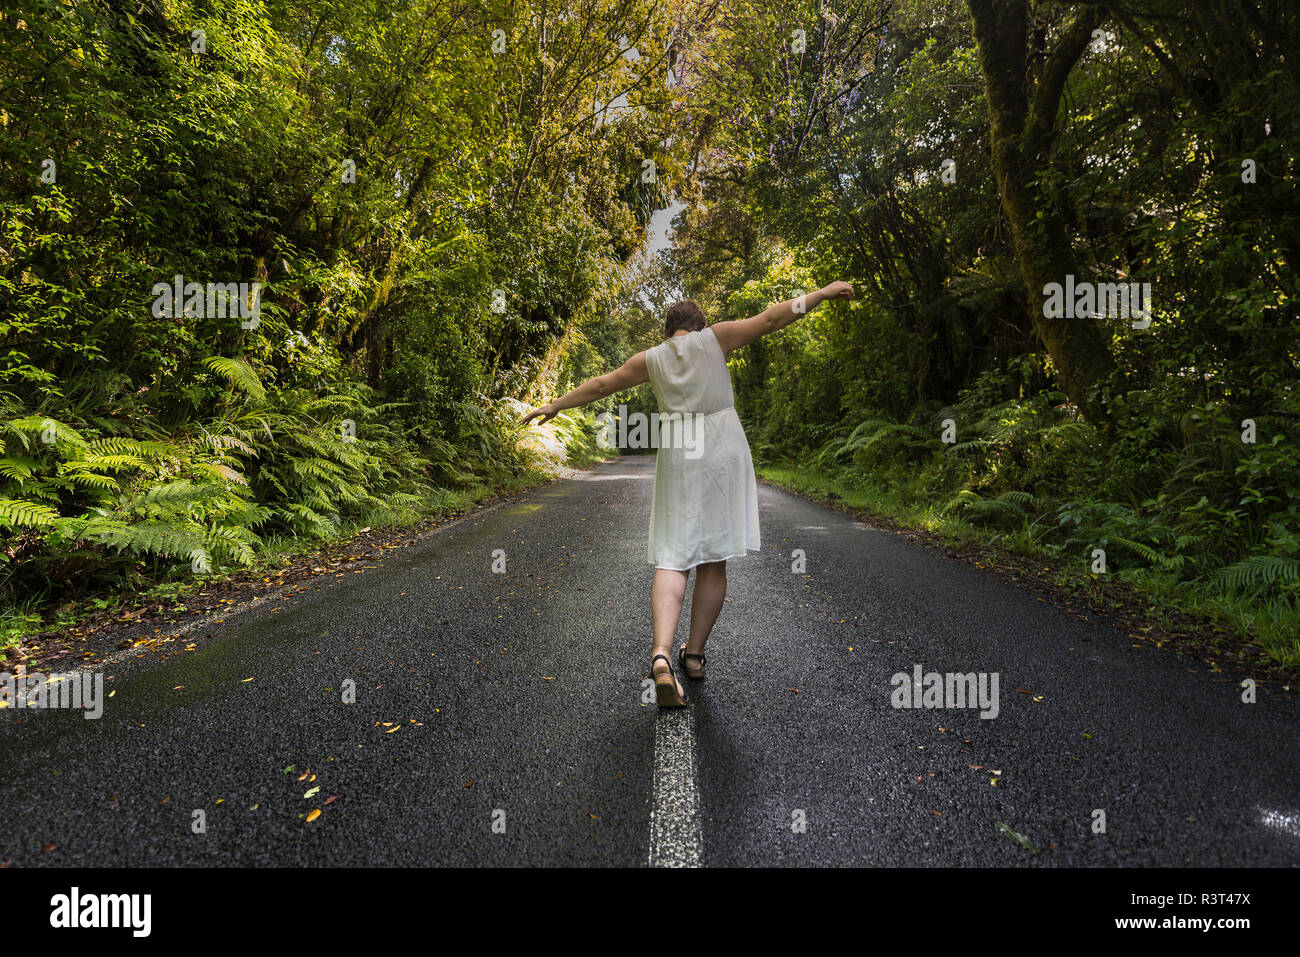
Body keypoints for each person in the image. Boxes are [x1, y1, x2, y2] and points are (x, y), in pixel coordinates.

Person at [520, 281, 855, 707]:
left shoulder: (652, 359)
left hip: (679, 450)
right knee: (713, 560)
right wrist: (822, 293)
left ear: (667, 333)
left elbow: (603, 384)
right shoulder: (717, 338)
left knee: (673, 555)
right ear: (700, 326)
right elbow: (773, 318)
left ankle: (662, 654)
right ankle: (693, 657)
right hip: (722, 448)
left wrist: (555, 405)